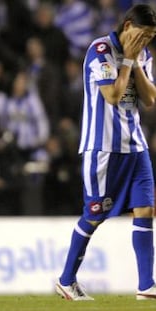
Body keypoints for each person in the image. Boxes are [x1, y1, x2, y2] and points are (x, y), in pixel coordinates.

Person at [56, 4, 156, 301]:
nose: (146, 42)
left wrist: (135, 61)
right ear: (127, 26)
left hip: (135, 147)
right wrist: (127, 59)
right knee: (94, 215)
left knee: (146, 210)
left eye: (151, 37)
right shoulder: (100, 50)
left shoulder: (144, 56)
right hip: (102, 149)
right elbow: (113, 95)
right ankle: (66, 280)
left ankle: (146, 286)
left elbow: (149, 99)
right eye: (143, 34)